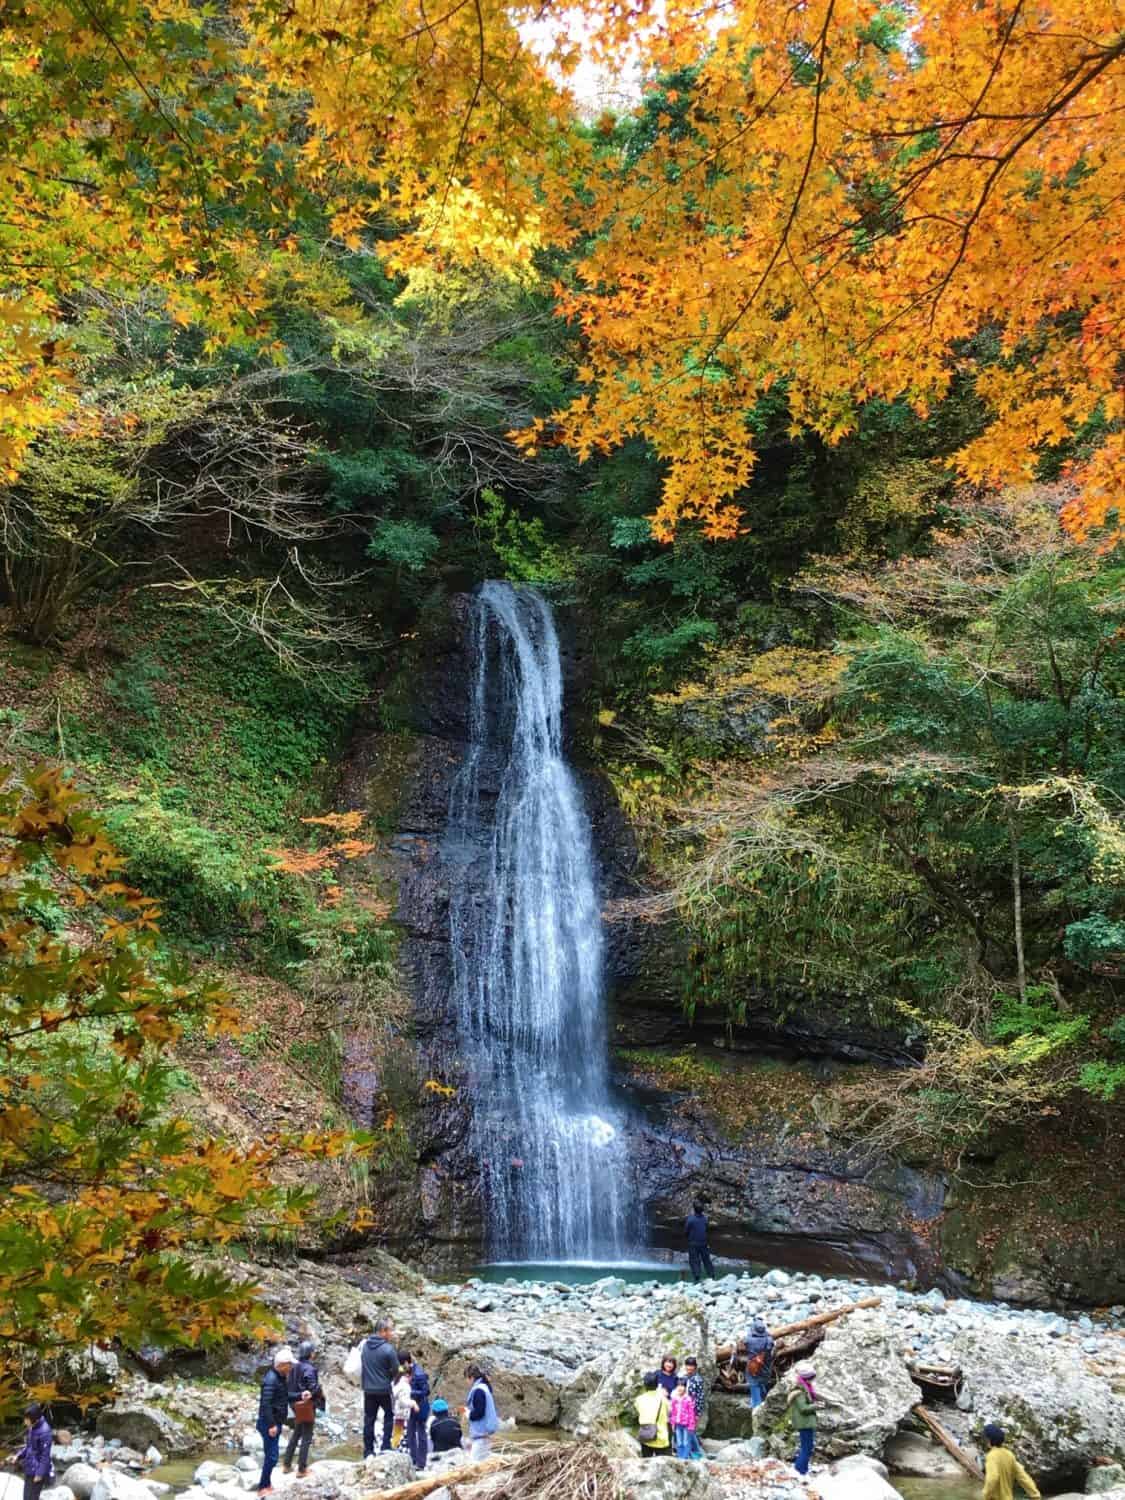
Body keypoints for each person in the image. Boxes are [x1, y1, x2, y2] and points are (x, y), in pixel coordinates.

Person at [257, 1347, 295, 1496]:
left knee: (271, 1455)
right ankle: (262, 1487)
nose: (291, 1367)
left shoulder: (280, 1377)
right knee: (272, 1456)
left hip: (274, 1422)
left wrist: (300, 1396)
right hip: (268, 1423)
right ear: (281, 1364)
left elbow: (285, 1397)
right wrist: (272, 1424)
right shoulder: (271, 1379)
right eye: (289, 1364)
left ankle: (266, 1483)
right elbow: (265, 1404)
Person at [283, 1339, 323, 1478]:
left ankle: (287, 1464)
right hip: (306, 1405)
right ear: (310, 1354)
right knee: (306, 1436)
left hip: (295, 1405)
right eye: (313, 1352)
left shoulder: (293, 1367)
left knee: (297, 1433)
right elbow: (312, 1387)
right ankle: (301, 1469)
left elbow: (288, 1387)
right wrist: (319, 1389)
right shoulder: (309, 1369)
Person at [361, 1315, 399, 1458]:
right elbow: (395, 1370)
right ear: (383, 1331)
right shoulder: (388, 1349)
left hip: (368, 1390)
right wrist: (389, 1376)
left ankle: (368, 1451)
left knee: (369, 1419)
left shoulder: (365, 1345)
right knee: (389, 1415)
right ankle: (385, 1446)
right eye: (390, 1330)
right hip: (383, 1389)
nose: (392, 1333)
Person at [981, 1423, 1041, 1500]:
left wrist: (985, 1495)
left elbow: (993, 1478)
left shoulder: (991, 1456)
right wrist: (1035, 1495)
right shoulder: (1009, 1454)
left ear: (988, 1439)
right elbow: (1023, 1477)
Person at [14, 1404, 53, 1500]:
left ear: (35, 1419)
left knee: (32, 1497)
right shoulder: (32, 1428)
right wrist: (18, 1456)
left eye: (27, 1419)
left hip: (37, 1470)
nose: (25, 1421)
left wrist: (39, 1474)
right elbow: (29, 1447)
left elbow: (45, 1455)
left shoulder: (45, 1431)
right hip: (29, 1467)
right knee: (26, 1497)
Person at [464, 1363, 500, 1462]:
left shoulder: (478, 1390)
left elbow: (479, 1412)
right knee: (484, 1462)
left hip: (481, 1435)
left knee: (473, 1464)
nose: (466, 1382)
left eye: (466, 1379)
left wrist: (468, 1413)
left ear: (471, 1377)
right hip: (486, 1434)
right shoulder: (485, 1387)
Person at [786, 1362, 818, 1476]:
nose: (812, 1381)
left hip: (806, 1422)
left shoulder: (805, 1388)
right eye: (811, 1379)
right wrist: (817, 1406)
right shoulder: (799, 1392)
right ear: (806, 1378)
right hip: (804, 1422)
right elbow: (803, 1408)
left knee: (807, 1447)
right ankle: (799, 1470)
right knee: (807, 1448)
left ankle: (802, 1469)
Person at [634, 1372, 671, 1458]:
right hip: (660, 1437)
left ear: (645, 1385)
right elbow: (669, 1411)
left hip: (646, 1436)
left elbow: (639, 1410)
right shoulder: (663, 1399)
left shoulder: (639, 1399)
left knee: (646, 1463)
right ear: (657, 1384)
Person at [405, 1352, 431, 1471]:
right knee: (410, 1433)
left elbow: (426, 1391)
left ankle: (421, 1463)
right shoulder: (410, 1370)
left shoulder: (419, 1373)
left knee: (421, 1434)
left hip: (421, 1405)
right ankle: (413, 1459)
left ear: (407, 1362)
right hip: (412, 1405)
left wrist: (410, 1392)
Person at [745, 1316, 774, 1409]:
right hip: (765, 1366)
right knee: (763, 1383)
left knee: (754, 1385)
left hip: (753, 1367)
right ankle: (765, 1401)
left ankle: (757, 1407)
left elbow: (744, 1340)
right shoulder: (769, 1340)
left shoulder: (748, 1340)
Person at [682, 1356, 707, 1460]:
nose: (689, 1368)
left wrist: (697, 1413)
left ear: (695, 1367)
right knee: (687, 1431)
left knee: (690, 1431)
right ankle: (692, 1452)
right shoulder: (685, 1377)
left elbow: (700, 1397)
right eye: (688, 1365)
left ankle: (695, 1452)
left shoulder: (698, 1379)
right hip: (684, 1409)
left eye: (691, 1365)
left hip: (693, 1410)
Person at [685, 1201, 715, 1282]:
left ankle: (697, 1276)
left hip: (693, 1243)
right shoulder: (705, 1219)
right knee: (706, 1259)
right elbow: (707, 1229)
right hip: (703, 1243)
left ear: (694, 1209)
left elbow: (686, 1231)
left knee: (694, 1260)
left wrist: (688, 1237)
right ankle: (711, 1275)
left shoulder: (690, 1219)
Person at [669, 1381, 697, 1460]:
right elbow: (673, 1412)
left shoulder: (688, 1399)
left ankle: (684, 1458)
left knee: (686, 1442)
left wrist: (691, 1425)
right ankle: (680, 1457)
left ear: (685, 1387)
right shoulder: (674, 1399)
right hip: (678, 1424)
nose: (680, 1387)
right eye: (678, 1385)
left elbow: (691, 1413)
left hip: (686, 1425)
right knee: (679, 1442)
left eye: (682, 1385)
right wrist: (672, 1423)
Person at [391, 1361, 412, 1450]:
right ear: (408, 1375)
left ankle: (393, 1445)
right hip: (401, 1411)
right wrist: (412, 1404)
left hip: (396, 1410)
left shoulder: (396, 1382)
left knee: (396, 1431)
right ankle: (394, 1447)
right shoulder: (405, 1386)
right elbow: (404, 1400)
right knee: (398, 1432)